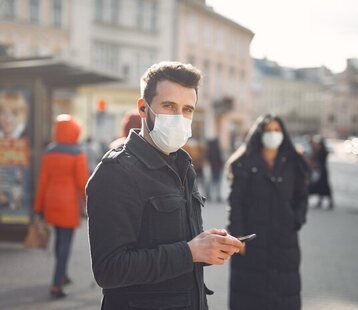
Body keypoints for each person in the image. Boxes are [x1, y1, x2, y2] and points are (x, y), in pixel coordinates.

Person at [86, 61, 244, 310]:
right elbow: (109, 269)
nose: (179, 118)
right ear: (143, 108)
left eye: (187, 109)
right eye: (169, 106)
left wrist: (207, 245)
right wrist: (190, 252)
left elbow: (176, 244)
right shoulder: (116, 172)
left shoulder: (183, 166)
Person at [226, 114, 309, 310]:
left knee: (283, 296)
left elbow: (302, 198)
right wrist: (238, 234)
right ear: (260, 133)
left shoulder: (293, 163)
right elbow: (235, 201)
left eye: (277, 130)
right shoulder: (244, 162)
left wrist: (296, 220)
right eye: (268, 130)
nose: (273, 134)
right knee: (250, 298)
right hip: (251, 240)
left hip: (285, 241)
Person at [34, 114, 88, 299]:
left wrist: (38, 208)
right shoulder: (77, 153)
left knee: (58, 241)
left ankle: (62, 275)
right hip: (68, 206)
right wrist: (89, 202)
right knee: (65, 244)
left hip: (51, 203)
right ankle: (57, 284)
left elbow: (42, 181)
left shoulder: (49, 152)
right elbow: (82, 184)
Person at [308, 135, 334, 209]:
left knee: (325, 187)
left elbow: (319, 160)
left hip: (322, 172)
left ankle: (330, 202)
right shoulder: (318, 150)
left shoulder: (322, 151)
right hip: (319, 171)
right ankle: (320, 201)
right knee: (319, 187)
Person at [206, 137, 224, 202]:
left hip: (212, 168)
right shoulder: (217, 150)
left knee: (212, 183)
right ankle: (217, 196)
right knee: (217, 183)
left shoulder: (209, 150)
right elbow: (220, 159)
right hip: (217, 168)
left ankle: (209, 195)